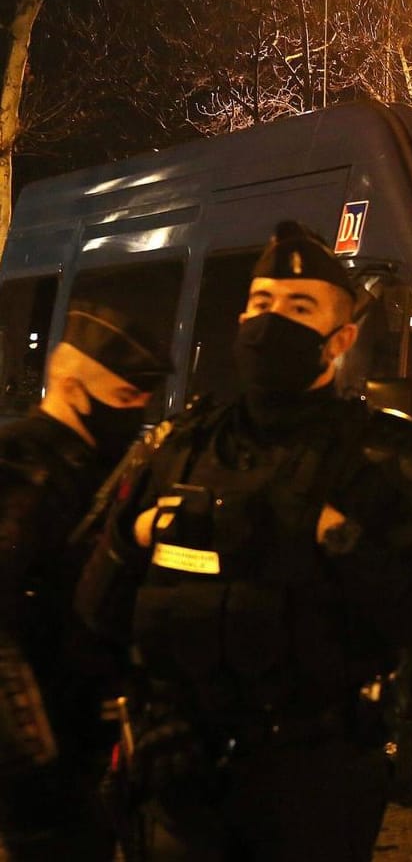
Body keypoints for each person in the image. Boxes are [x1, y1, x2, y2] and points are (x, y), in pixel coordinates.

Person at [75, 221, 412, 862]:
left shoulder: (389, 461)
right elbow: (95, 613)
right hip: (176, 780)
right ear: (240, 317)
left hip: (311, 784)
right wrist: (133, 535)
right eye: (262, 304)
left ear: (341, 339)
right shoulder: (177, 449)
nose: (272, 321)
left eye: (299, 307)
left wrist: (340, 540)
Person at [0, 302, 170, 861]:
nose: (136, 413)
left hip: (103, 743)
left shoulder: (104, 466)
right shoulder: (20, 466)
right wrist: (35, 762)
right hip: (47, 762)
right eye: (124, 398)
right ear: (73, 388)